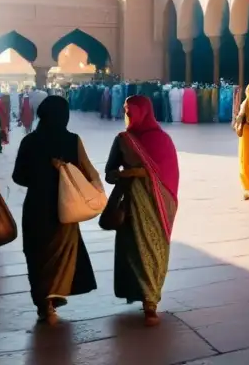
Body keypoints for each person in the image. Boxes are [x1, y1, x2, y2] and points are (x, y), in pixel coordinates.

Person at [11, 96, 98, 324]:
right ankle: (54, 296)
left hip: (36, 207)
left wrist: (40, 177)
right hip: (64, 207)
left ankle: (43, 303)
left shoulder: (29, 141)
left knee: (37, 253)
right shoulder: (72, 140)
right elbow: (88, 171)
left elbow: (18, 177)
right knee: (61, 254)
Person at [105, 95, 179, 327]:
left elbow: (168, 174)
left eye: (132, 112)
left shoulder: (161, 140)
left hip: (157, 204)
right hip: (130, 203)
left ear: (144, 112)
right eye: (126, 112)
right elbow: (109, 171)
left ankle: (151, 301)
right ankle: (141, 295)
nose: (128, 116)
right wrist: (119, 174)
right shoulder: (123, 139)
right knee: (134, 249)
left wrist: (136, 173)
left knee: (154, 247)